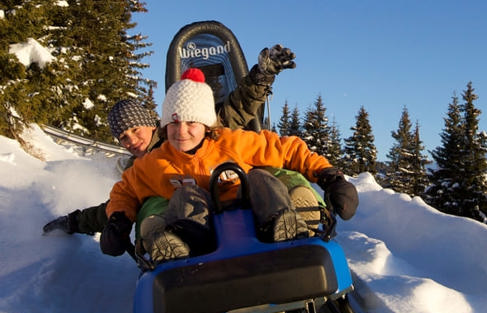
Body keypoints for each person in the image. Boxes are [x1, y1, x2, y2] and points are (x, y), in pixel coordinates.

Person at [98, 68, 359, 264]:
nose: (182, 132)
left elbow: (286, 149)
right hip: (203, 233)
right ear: (165, 127)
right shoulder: (157, 162)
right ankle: (177, 247)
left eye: (192, 123)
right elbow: (126, 190)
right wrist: (118, 221)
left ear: (206, 124)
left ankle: (287, 222)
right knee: (184, 195)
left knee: (259, 177)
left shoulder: (231, 142)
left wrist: (330, 177)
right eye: (174, 124)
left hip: (256, 218)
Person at [42, 44, 301, 235]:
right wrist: (75, 222)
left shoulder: (194, 130)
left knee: (266, 177)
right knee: (153, 206)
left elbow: (239, 107)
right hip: (187, 233)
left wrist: (263, 75)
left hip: (235, 214)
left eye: (135, 130)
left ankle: (293, 219)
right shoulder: (140, 169)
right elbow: (118, 205)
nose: (131, 140)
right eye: (123, 137)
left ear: (150, 123)